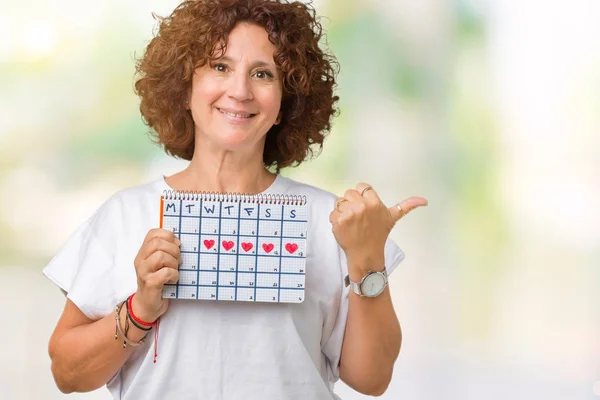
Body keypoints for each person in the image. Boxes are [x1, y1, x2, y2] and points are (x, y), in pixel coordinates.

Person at [43, 0, 427, 399]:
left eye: (263, 73)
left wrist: (367, 258)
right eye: (220, 67)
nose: (239, 91)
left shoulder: (329, 222)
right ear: (185, 88)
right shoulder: (126, 214)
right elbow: (67, 374)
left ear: (284, 101)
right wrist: (140, 310)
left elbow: (372, 379)